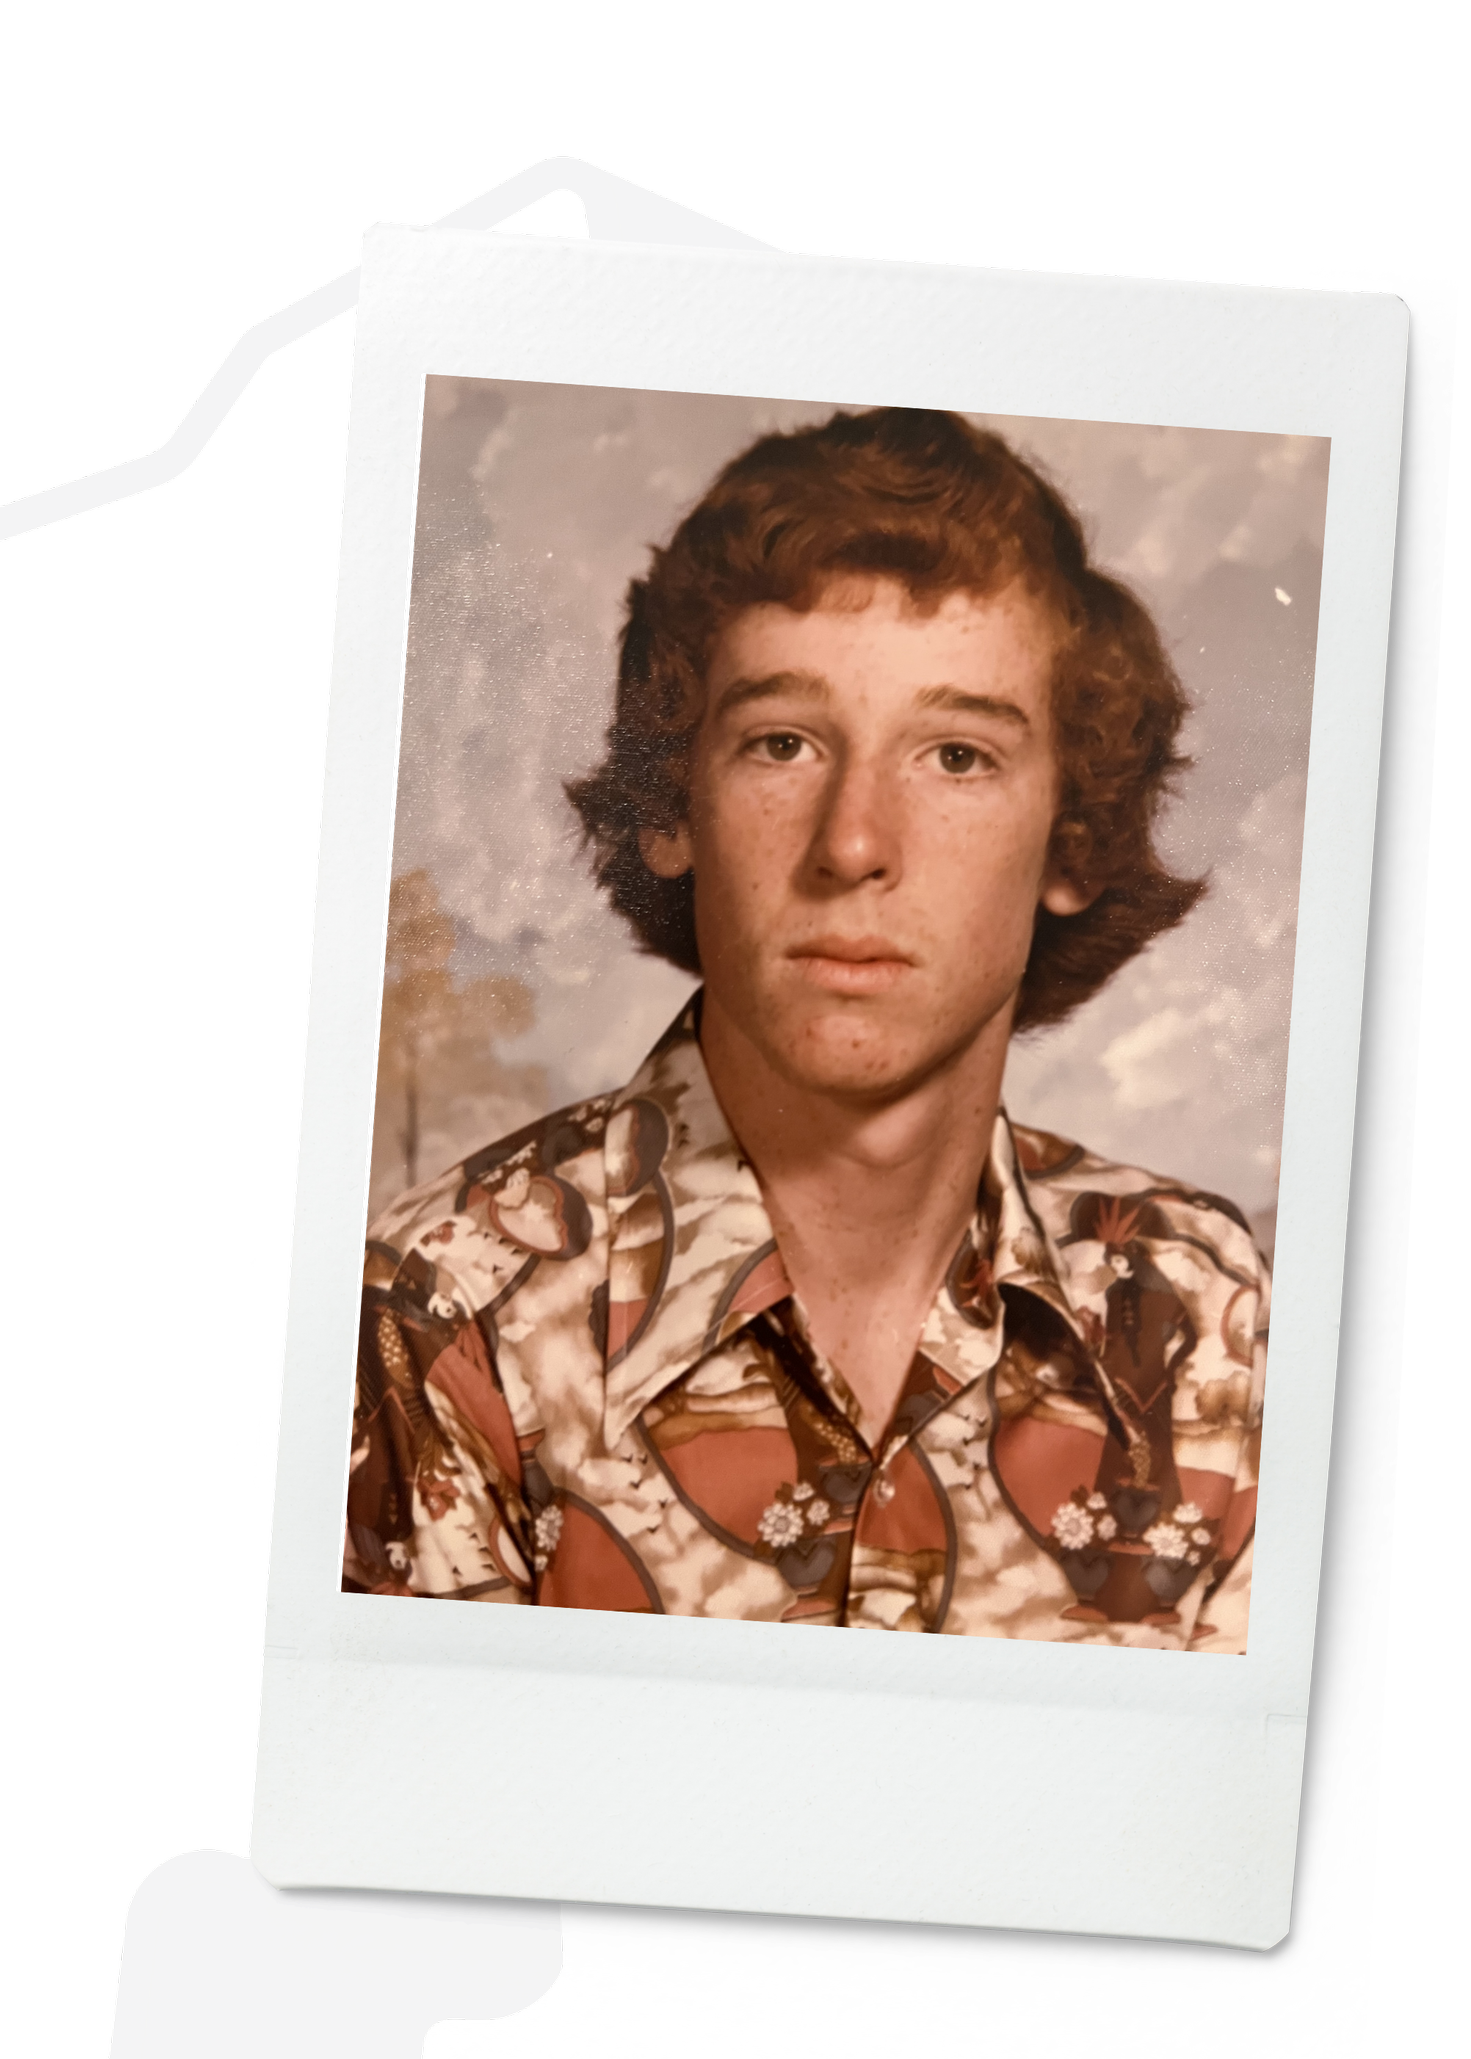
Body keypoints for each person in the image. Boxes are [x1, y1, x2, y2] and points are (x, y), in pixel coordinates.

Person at [346, 407, 1265, 1650]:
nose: (853, 845)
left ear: (1077, 838)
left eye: (955, 755)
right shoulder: (433, 1323)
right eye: (781, 743)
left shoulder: (1211, 1315)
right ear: (672, 807)